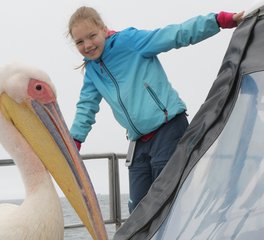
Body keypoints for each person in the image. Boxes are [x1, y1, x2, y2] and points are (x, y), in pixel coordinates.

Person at [68, 7, 244, 214]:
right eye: (79, 42)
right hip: (139, 141)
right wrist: (74, 141)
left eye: (92, 36)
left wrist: (218, 21)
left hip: (167, 129)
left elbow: (174, 34)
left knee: (167, 201)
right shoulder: (91, 71)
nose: (87, 45)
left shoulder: (129, 41)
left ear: (103, 29)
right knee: (138, 209)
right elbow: (86, 106)